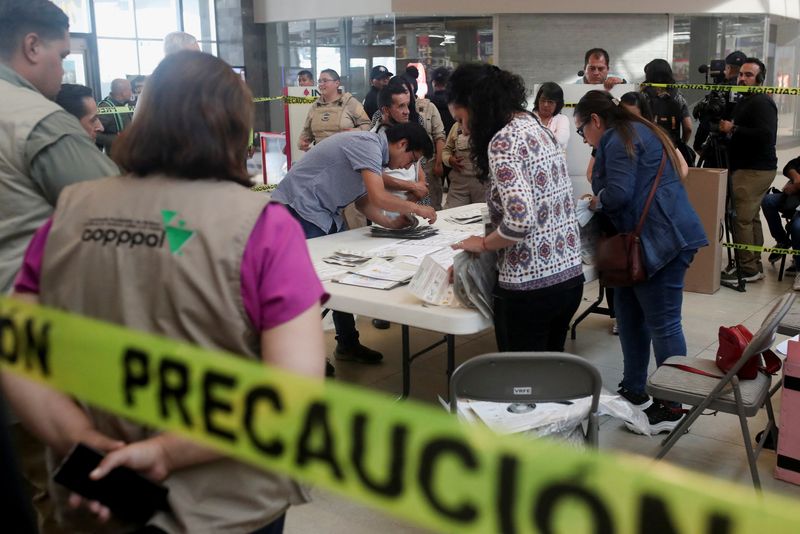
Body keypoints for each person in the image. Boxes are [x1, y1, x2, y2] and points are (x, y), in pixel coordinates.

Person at [3, 50, 326, 533]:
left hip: (96, 488)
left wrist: (79, 439)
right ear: (237, 126)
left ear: (142, 117)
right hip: (222, 500)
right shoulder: (263, 226)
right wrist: (161, 452)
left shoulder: (71, 210)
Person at [0, 0, 116, 530]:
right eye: (63, 57)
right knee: (74, 494)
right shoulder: (38, 122)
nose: (63, 70)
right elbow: (126, 224)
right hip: (41, 349)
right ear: (32, 46)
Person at [575, 90, 707, 434]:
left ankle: (673, 405)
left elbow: (618, 194)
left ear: (595, 121)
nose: (584, 138)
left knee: (663, 323)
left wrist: (594, 203)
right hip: (646, 240)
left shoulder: (619, 139)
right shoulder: (635, 130)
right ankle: (635, 390)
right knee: (632, 317)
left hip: (661, 242)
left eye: (582, 131)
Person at [271, 122, 435, 365]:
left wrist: (391, 224)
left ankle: (347, 343)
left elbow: (364, 202)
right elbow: (379, 197)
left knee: (341, 274)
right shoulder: (367, 145)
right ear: (402, 144)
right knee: (310, 282)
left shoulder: (372, 158)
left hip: (322, 213)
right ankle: (304, 355)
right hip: (299, 210)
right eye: (412, 159)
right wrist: (415, 207)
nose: (409, 166)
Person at [448, 63, 584, 353]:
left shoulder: (503, 141)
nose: (463, 128)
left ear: (476, 105)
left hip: (530, 288)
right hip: (568, 278)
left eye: (461, 118)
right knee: (547, 377)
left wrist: (483, 244)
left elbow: (519, 222)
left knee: (522, 385)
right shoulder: (537, 127)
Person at [718, 57, 778, 286]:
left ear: (760, 79)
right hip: (749, 167)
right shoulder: (746, 99)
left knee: (740, 218)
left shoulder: (761, 102)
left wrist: (734, 128)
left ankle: (748, 268)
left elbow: (766, 136)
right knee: (750, 219)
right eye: (741, 74)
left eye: (748, 75)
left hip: (755, 169)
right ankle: (754, 265)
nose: (742, 78)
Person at [298, 68, 370, 151]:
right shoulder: (315, 106)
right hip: (320, 155)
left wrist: (354, 132)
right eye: (320, 81)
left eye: (325, 81)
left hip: (345, 154)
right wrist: (302, 142)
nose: (321, 84)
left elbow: (367, 124)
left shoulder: (349, 102)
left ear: (337, 83)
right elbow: (307, 131)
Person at [693, 50, 746, 161]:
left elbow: (708, 117)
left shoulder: (721, 89)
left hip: (721, 142)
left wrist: (697, 144)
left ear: (728, 68)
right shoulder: (751, 91)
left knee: (716, 176)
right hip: (743, 143)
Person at [641, 59, 693, 163]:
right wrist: (681, 143)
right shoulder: (678, 96)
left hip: (648, 150)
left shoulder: (643, 96)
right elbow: (688, 128)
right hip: (673, 149)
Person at [762, 155, 800, 290]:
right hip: (796, 197)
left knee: (797, 226)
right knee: (768, 201)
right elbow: (790, 165)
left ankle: (799, 268)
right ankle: (783, 240)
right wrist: (796, 178)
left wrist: (797, 186)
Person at [441, 121, 486, 209]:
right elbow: (446, 150)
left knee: (483, 218)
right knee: (451, 215)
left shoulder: (492, 123)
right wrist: (449, 160)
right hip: (459, 184)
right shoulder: (457, 126)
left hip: (483, 185)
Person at [96, 78, 132, 156]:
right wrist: (116, 139)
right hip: (115, 159)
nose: (131, 92)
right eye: (130, 89)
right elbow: (94, 134)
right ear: (123, 93)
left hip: (128, 155)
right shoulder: (105, 108)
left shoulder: (126, 105)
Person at [532, 82, 569, 151]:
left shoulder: (562, 119)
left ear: (557, 104)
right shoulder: (530, 118)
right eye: (543, 100)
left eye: (550, 102)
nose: (545, 104)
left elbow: (560, 141)